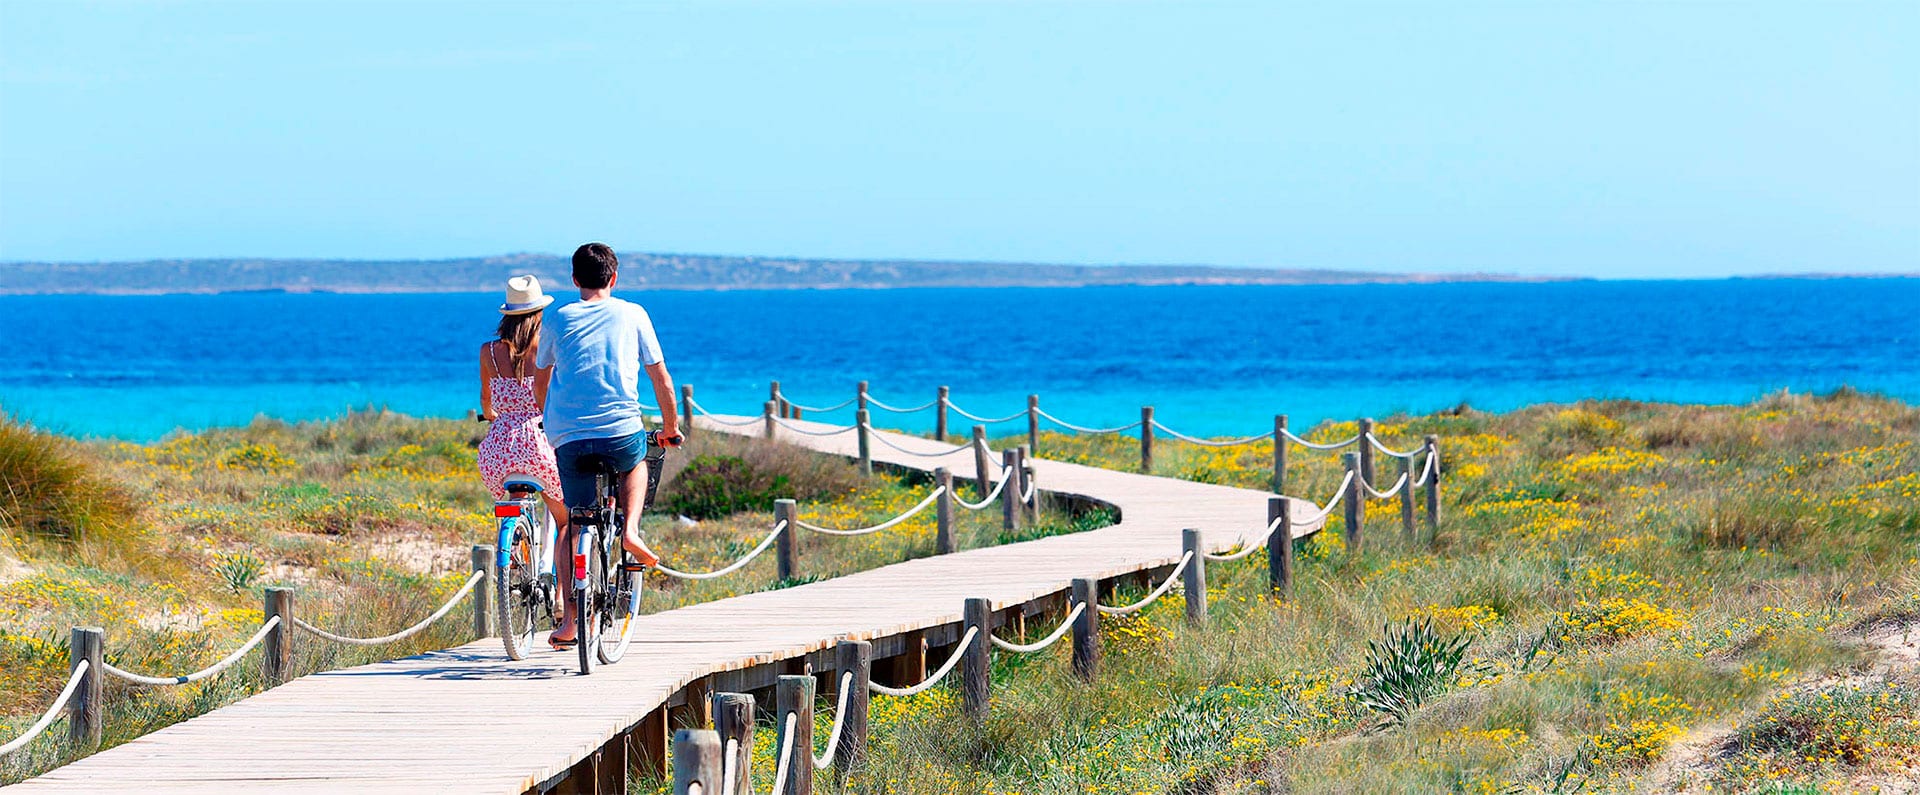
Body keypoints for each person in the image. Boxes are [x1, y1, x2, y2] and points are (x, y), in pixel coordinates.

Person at [538, 243, 682, 647]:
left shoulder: (558, 317)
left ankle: (570, 621)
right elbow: (661, 378)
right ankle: (631, 530)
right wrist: (670, 427)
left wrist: (550, 419)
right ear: (614, 278)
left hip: (569, 436)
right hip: (620, 431)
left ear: (574, 279)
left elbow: (540, 379)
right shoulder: (633, 314)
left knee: (575, 523)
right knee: (636, 461)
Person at [477, 275, 569, 535]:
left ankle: (514, 544)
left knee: (513, 493)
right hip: (539, 444)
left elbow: (486, 399)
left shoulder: (488, 352)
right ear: (538, 313)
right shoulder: (547, 349)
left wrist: (491, 415)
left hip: (499, 450)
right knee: (565, 520)